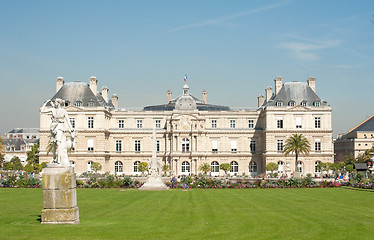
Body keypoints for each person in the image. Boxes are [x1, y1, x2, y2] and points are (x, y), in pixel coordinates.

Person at [41, 98, 74, 166]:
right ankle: (54, 157)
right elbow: (42, 110)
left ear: (59, 103)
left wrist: (71, 128)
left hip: (60, 126)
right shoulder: (53, 109)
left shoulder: (63, 111)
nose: (55, 103)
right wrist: (46, 102)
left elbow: (68, 120)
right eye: (54, 102)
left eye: (56, 102)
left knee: (58, 143)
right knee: (53, 143)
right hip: (53, 127)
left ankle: (59, 159)